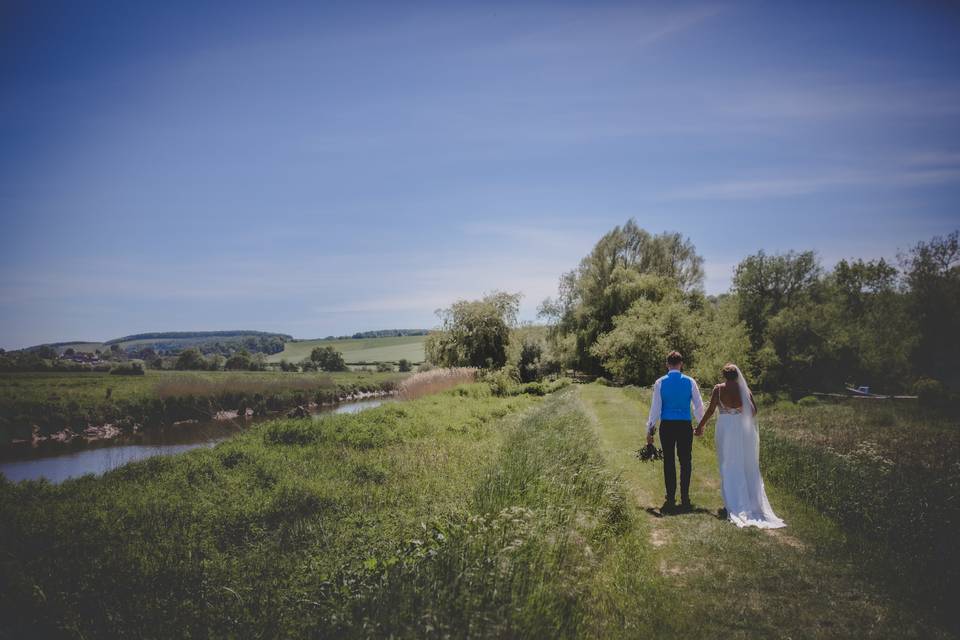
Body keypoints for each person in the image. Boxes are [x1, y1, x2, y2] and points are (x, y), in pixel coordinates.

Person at [695, 364, 785, 529]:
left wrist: (700, 426)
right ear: (737, 375)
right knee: (742, 463)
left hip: (725, 427)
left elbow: (710, 410)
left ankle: (732, 501)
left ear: (724, 375)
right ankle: (746, 501)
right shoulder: (744, 389)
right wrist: (739, 411)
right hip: (741, 429)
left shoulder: (718, 389)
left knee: (727, 462)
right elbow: (754, 411)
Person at [646, 351, 704, 512]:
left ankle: (671, 496)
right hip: (684, 425)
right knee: (686, 461)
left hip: (668, 426)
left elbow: (655, 409)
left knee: (669, 461)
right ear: (681, 364)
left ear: (667, 364)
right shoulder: (690, 381)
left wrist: (649, 430)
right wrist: (701, 425)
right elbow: (698, 406)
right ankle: (685, 496)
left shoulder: (660, 383)